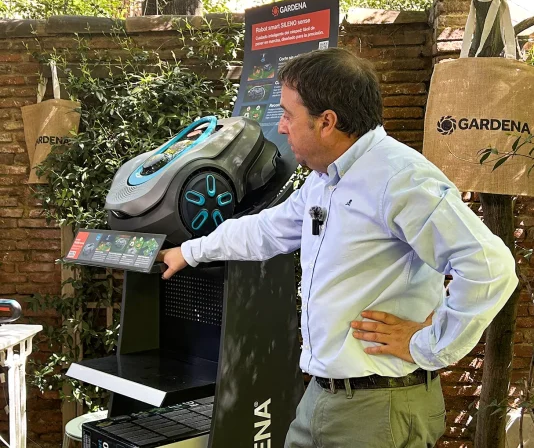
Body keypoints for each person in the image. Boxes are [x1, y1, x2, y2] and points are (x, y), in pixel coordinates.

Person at [158, 48, 518, 448]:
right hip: (321, 397)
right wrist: (188, 252)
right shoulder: (325, 180)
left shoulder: (400, 178)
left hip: (378, 409)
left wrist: (430, 344)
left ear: (327, 122)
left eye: (288, 115)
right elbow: (268, 229)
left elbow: (490, 267)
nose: (282, 128)